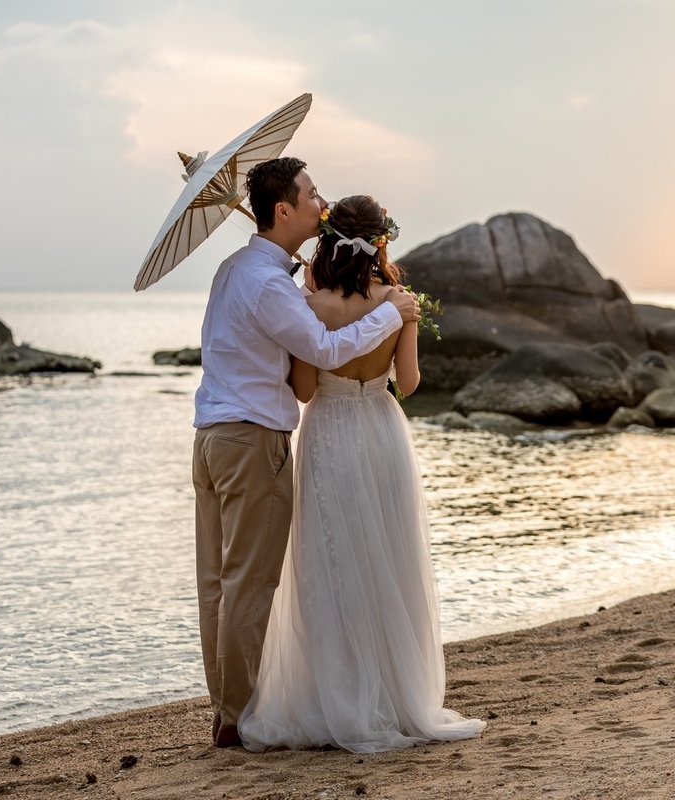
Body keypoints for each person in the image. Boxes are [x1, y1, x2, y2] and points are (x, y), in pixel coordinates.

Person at [238, 195, 486, 753]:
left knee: (331, 564)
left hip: (327, 433)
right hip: (381, 429)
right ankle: (397, 696)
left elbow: (302, 391)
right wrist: (391, 334)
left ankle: (340, 695)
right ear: (380, 242)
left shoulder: (311, 305)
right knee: (388, 560)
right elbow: (411, 380)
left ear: (327, 239)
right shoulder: (400, 302)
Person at [192, 159, 420, 749]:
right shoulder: (269, 283)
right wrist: (392, 313)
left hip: (212, 435)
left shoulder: (235, 269)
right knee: (250, 581)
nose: (320, 201)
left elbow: (304, 352)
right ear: (284, 210)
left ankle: (226, 707)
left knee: (217, 581)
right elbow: (319, 348)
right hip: (251, 440)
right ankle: (236, 716)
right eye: (310, 193)